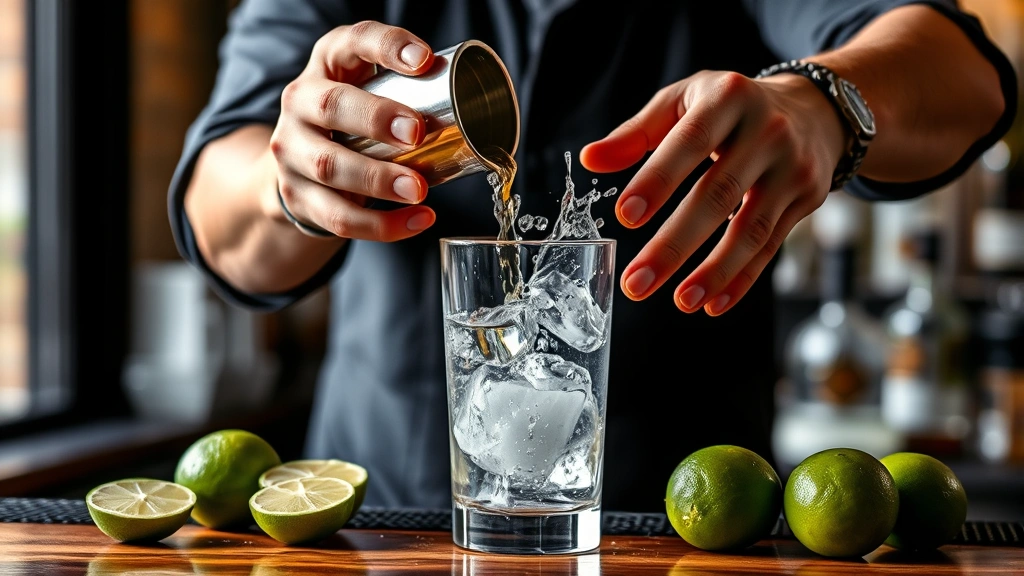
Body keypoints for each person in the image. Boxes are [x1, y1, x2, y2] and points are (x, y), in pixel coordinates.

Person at [170, 0, 1015, 512]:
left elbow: (966, 75)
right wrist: (289, 182)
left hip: (689, 524)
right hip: (390, 522)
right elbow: (219, 209)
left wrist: (822, 101)